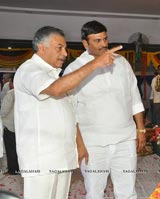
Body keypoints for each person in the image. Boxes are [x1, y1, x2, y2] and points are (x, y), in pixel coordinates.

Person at [14, 26, 121, 199]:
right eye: (59, 48)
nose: (64, 53)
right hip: (41, 159)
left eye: (65, 48)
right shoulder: (29, 70)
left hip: (62, 155)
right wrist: (95, 63)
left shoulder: (55, 76)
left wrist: (79, 144)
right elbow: (55, 90)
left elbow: (70, 113)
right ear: (42, 47)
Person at [63, 20, 145, 199]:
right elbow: (69, 112)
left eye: (105, 39)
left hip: (125, 139)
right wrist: (79, 145)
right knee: (94, 192)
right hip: (93, 143)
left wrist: (140, 128)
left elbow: (134, 97)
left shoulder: (121, 63)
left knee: (128, 191)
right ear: (85, 43)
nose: (104, 44)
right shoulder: (75, 69)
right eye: (97, 41)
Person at [0, 74, 19, 175]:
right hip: (19, 125)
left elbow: (4, 110)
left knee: (10, 148)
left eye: (10, 82)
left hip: (9, 125)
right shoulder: (23, 93)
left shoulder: (11, 93)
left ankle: (12, 170)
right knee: (17, 148)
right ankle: (18, 168)